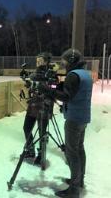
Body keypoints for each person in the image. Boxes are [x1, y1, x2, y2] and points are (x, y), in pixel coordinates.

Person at [38, 48, 92, 198]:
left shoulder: (73, 75)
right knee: (79, 149)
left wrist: (48, 90)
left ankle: (74, 189)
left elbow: (66, 96)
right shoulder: (84, 74)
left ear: (72, 60)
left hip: (74, 119)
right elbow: (72, 91)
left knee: (72, 152)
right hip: (83, 117)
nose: (63, 63)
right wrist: (56, 86)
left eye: (65, 60)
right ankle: (79, 180)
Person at [22, 52, 53, 165]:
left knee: (42, 133)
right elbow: (32, 86)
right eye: (37, 61)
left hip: (44, 106)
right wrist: (27, 82)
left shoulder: (50, 73)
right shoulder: (35, 73)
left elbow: (52, 88)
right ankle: (30, 150)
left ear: (46, 61)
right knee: (26, 128)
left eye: (40, 61)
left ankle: (41, 155)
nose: (38, 63)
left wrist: (34, 80)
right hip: (33, 105)